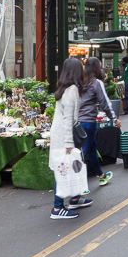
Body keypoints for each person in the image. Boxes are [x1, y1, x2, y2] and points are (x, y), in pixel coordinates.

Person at [74, 57, 119, 208]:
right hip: (89, 122)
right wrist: (114, 119)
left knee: (91, 148)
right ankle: (80, 186)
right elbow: (105, 103)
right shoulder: (96, 83)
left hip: (77, 122)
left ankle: (101, 175)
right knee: (84, 152)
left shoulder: (78, 81)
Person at [49, 58, 87, 219]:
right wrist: (68, 143)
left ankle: (75, 198)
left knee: (72, 166)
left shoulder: (64, 88)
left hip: (60, 133)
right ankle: (57, 208)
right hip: (64, 136)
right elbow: (68, 119)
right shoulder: (71, 90)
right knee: (64, 168)